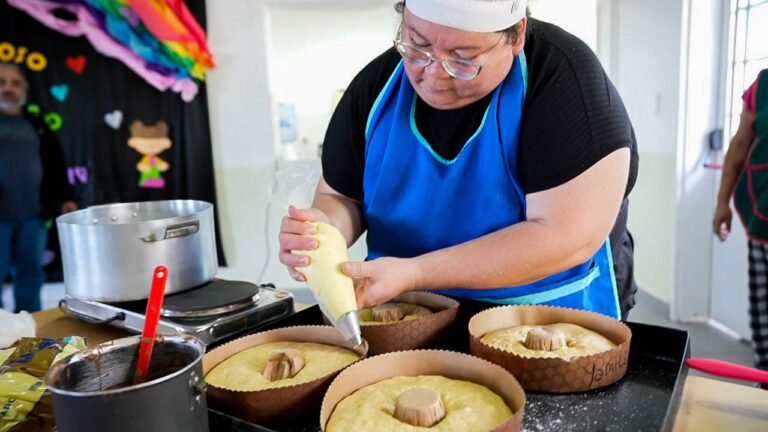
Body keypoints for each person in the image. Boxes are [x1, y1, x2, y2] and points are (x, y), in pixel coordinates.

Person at [279, 0, 639, 320]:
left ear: (516, 36)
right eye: (417, 46)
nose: (434, 75)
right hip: (409, 318)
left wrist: (416, 273)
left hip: (544, 319)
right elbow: (341, 197)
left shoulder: (562, 79)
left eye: (464, 59)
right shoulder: (375, 88)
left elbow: (566, 235)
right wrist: (323, 230)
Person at [0, 62, 77, 313]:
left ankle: (27, 329)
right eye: (2, 82)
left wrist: (66, 196)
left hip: (34, 215)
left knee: (30, 275)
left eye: (15, 83)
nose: (8, 88)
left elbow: (56, 164)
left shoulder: (38, 124)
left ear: (25, 89)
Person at [712, 68, 768, 372]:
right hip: (762, 220)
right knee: (762, 314)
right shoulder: (764, 85)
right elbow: (739, 145)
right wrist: (722, 202)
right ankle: (764, 383)